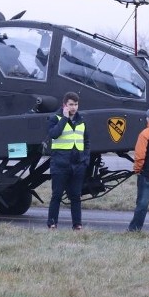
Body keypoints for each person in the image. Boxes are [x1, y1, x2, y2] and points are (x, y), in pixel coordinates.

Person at [46, 91, 90, 230]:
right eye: (71, 104)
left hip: (77, 165)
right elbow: (54, 134)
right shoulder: (55, 118)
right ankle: (52, 222)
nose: (74, 107)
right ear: (64, 105)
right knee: (57, 195)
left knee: (76, 196)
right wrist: (64, 119)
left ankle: (77, 224)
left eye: (76, 104)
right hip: (60, 164)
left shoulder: (81, 120)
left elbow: (86, 141)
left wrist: (85, 160)